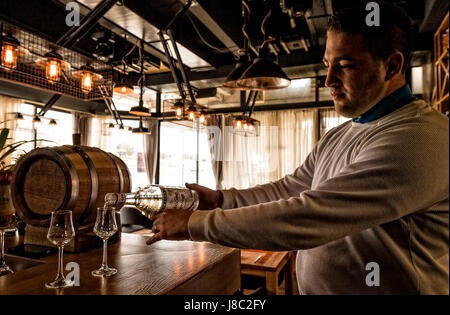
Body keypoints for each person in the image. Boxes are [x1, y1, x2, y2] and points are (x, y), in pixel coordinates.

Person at [147, 1, 449, 294]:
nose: (329, 79)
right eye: (328, 65)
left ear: (392, 66)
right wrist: (222, 201)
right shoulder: (341, 133)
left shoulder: (421, 136)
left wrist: (195, 224)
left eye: (345, 66)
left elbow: (311, 215)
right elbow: (290, 189)